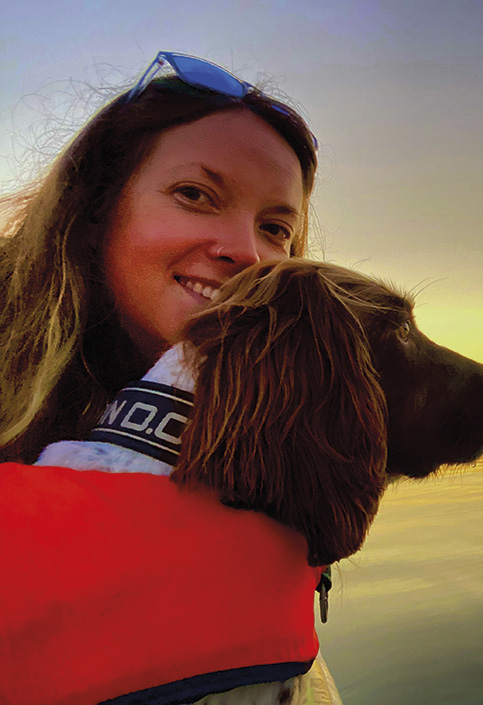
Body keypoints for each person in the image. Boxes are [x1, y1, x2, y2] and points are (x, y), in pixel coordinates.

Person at [0, 52, 339, 704]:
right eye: (195, 195)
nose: (244, 251)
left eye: (276, 229)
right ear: (97, 208)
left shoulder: (267, 446)